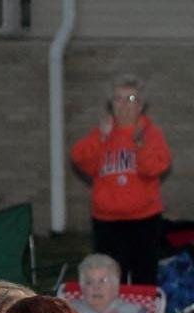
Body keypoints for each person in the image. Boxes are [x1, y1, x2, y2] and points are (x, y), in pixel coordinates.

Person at [70, 75, 172, 285]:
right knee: (109, 278)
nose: (124, 105)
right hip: (107, 221)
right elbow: (80, 158)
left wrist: (139, 145)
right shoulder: (103, 132)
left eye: (131, 99)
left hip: (144, 219)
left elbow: (155, 168)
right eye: (118, 99)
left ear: (141, 105)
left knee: (144, 277)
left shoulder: (150, 133)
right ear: (111, 103)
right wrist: (101, 138)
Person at [68, 253, 158, 313]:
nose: (96, 287)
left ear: (116, 287)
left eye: (103, 281)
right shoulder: (70, 312)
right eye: (89, 282)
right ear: (82, 287)